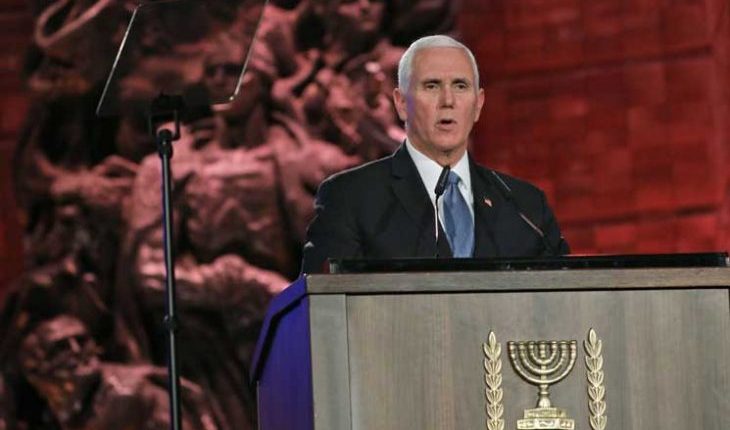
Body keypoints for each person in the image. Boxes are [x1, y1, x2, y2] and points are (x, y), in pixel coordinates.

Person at [301, 35, 569, 274]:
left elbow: (566, 296)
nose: (448, 101)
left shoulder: (526, 208)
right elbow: (323, 305)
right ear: (401, 103)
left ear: (478, 104)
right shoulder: (350, 199)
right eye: (432, 86)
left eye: (460, 86)